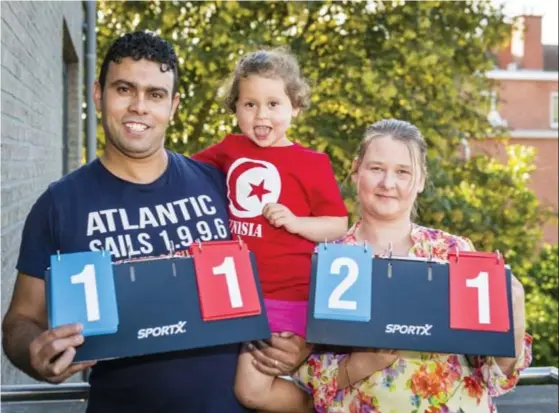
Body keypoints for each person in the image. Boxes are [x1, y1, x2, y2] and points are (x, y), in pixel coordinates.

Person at [2, 31, 253, 413]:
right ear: (98, 94)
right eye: (124, 89)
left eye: (155, 94)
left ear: (173, 106)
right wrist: (36, 353)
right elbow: (20, 320)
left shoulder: (219, 185)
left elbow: (274, 277)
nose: (139, 106)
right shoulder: (59, 204)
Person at [294, 119, 533, 412]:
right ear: (356, 171)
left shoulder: (454, 253)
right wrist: (359, 365)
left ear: (420, 181)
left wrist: (515, 317)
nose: (388, 183)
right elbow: (305, 376)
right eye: (376, 168)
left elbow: (495, 377)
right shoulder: (329, 260)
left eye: (403, 172)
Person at [193, 48, 348, 411]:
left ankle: (319, 405)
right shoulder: (229, 149)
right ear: (235, 108)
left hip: (288, 298)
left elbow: (337, 225)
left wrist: (295, 222)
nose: (261, 114)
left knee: (251, 389)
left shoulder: (312, 163)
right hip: (232, 294)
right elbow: (182, 172)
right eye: (249, 104)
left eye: (273, 104)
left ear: (295, 106)